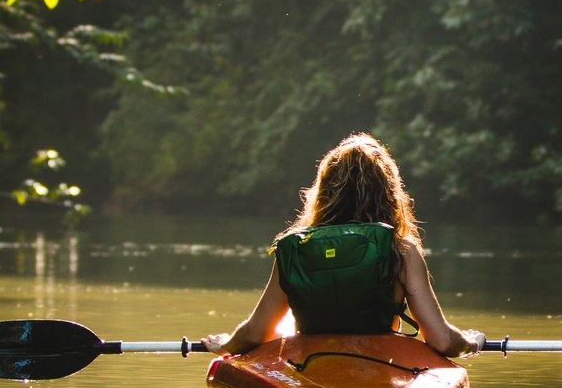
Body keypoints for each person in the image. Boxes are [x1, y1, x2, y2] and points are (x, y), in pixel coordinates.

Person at [202, 133, 485, 358]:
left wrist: (227, 345)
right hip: (381, 365)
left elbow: (255, 333)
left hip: (310, 366)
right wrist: (470, 342)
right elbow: (442, 340)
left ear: (323, 191)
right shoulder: (401, 251)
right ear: (389, 193)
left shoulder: (296, 249)